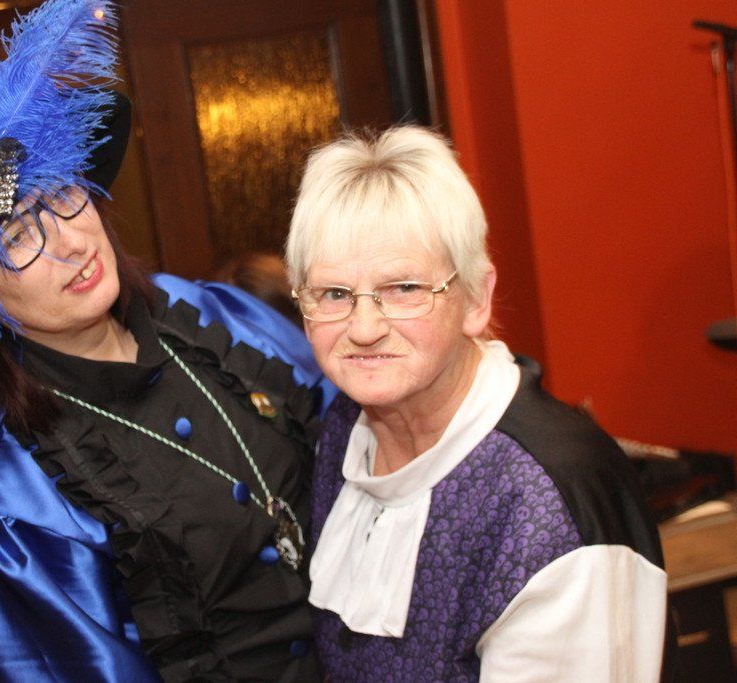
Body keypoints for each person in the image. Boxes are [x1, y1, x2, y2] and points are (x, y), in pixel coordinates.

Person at [0, 2, 328, 680]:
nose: (69, 242)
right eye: (17, 237)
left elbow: (360, 434)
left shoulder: (209, 317)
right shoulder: (16, 509)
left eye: (64, 196)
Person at [285, 126, 672, 681]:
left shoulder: (548, 499)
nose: (364, 328)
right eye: (334, 294)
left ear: (475, 298)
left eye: (404, 288)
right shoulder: (345, 431)